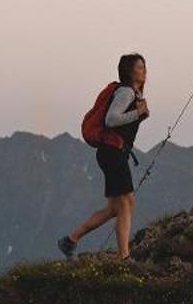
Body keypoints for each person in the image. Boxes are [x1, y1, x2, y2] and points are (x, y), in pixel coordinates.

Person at [59, 53, 149, 259]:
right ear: (129, 71)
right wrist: (137, 113)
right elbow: (111, 120)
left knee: (114, 208)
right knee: (126, 203)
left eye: (144, 67)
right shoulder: (126, 92)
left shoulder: (131, 94)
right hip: (113, 153)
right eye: (140, 67)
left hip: (112, 153)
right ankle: (124, 256)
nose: (144, 71)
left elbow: (122, 125)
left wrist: (140, 115)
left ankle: (70, 240)